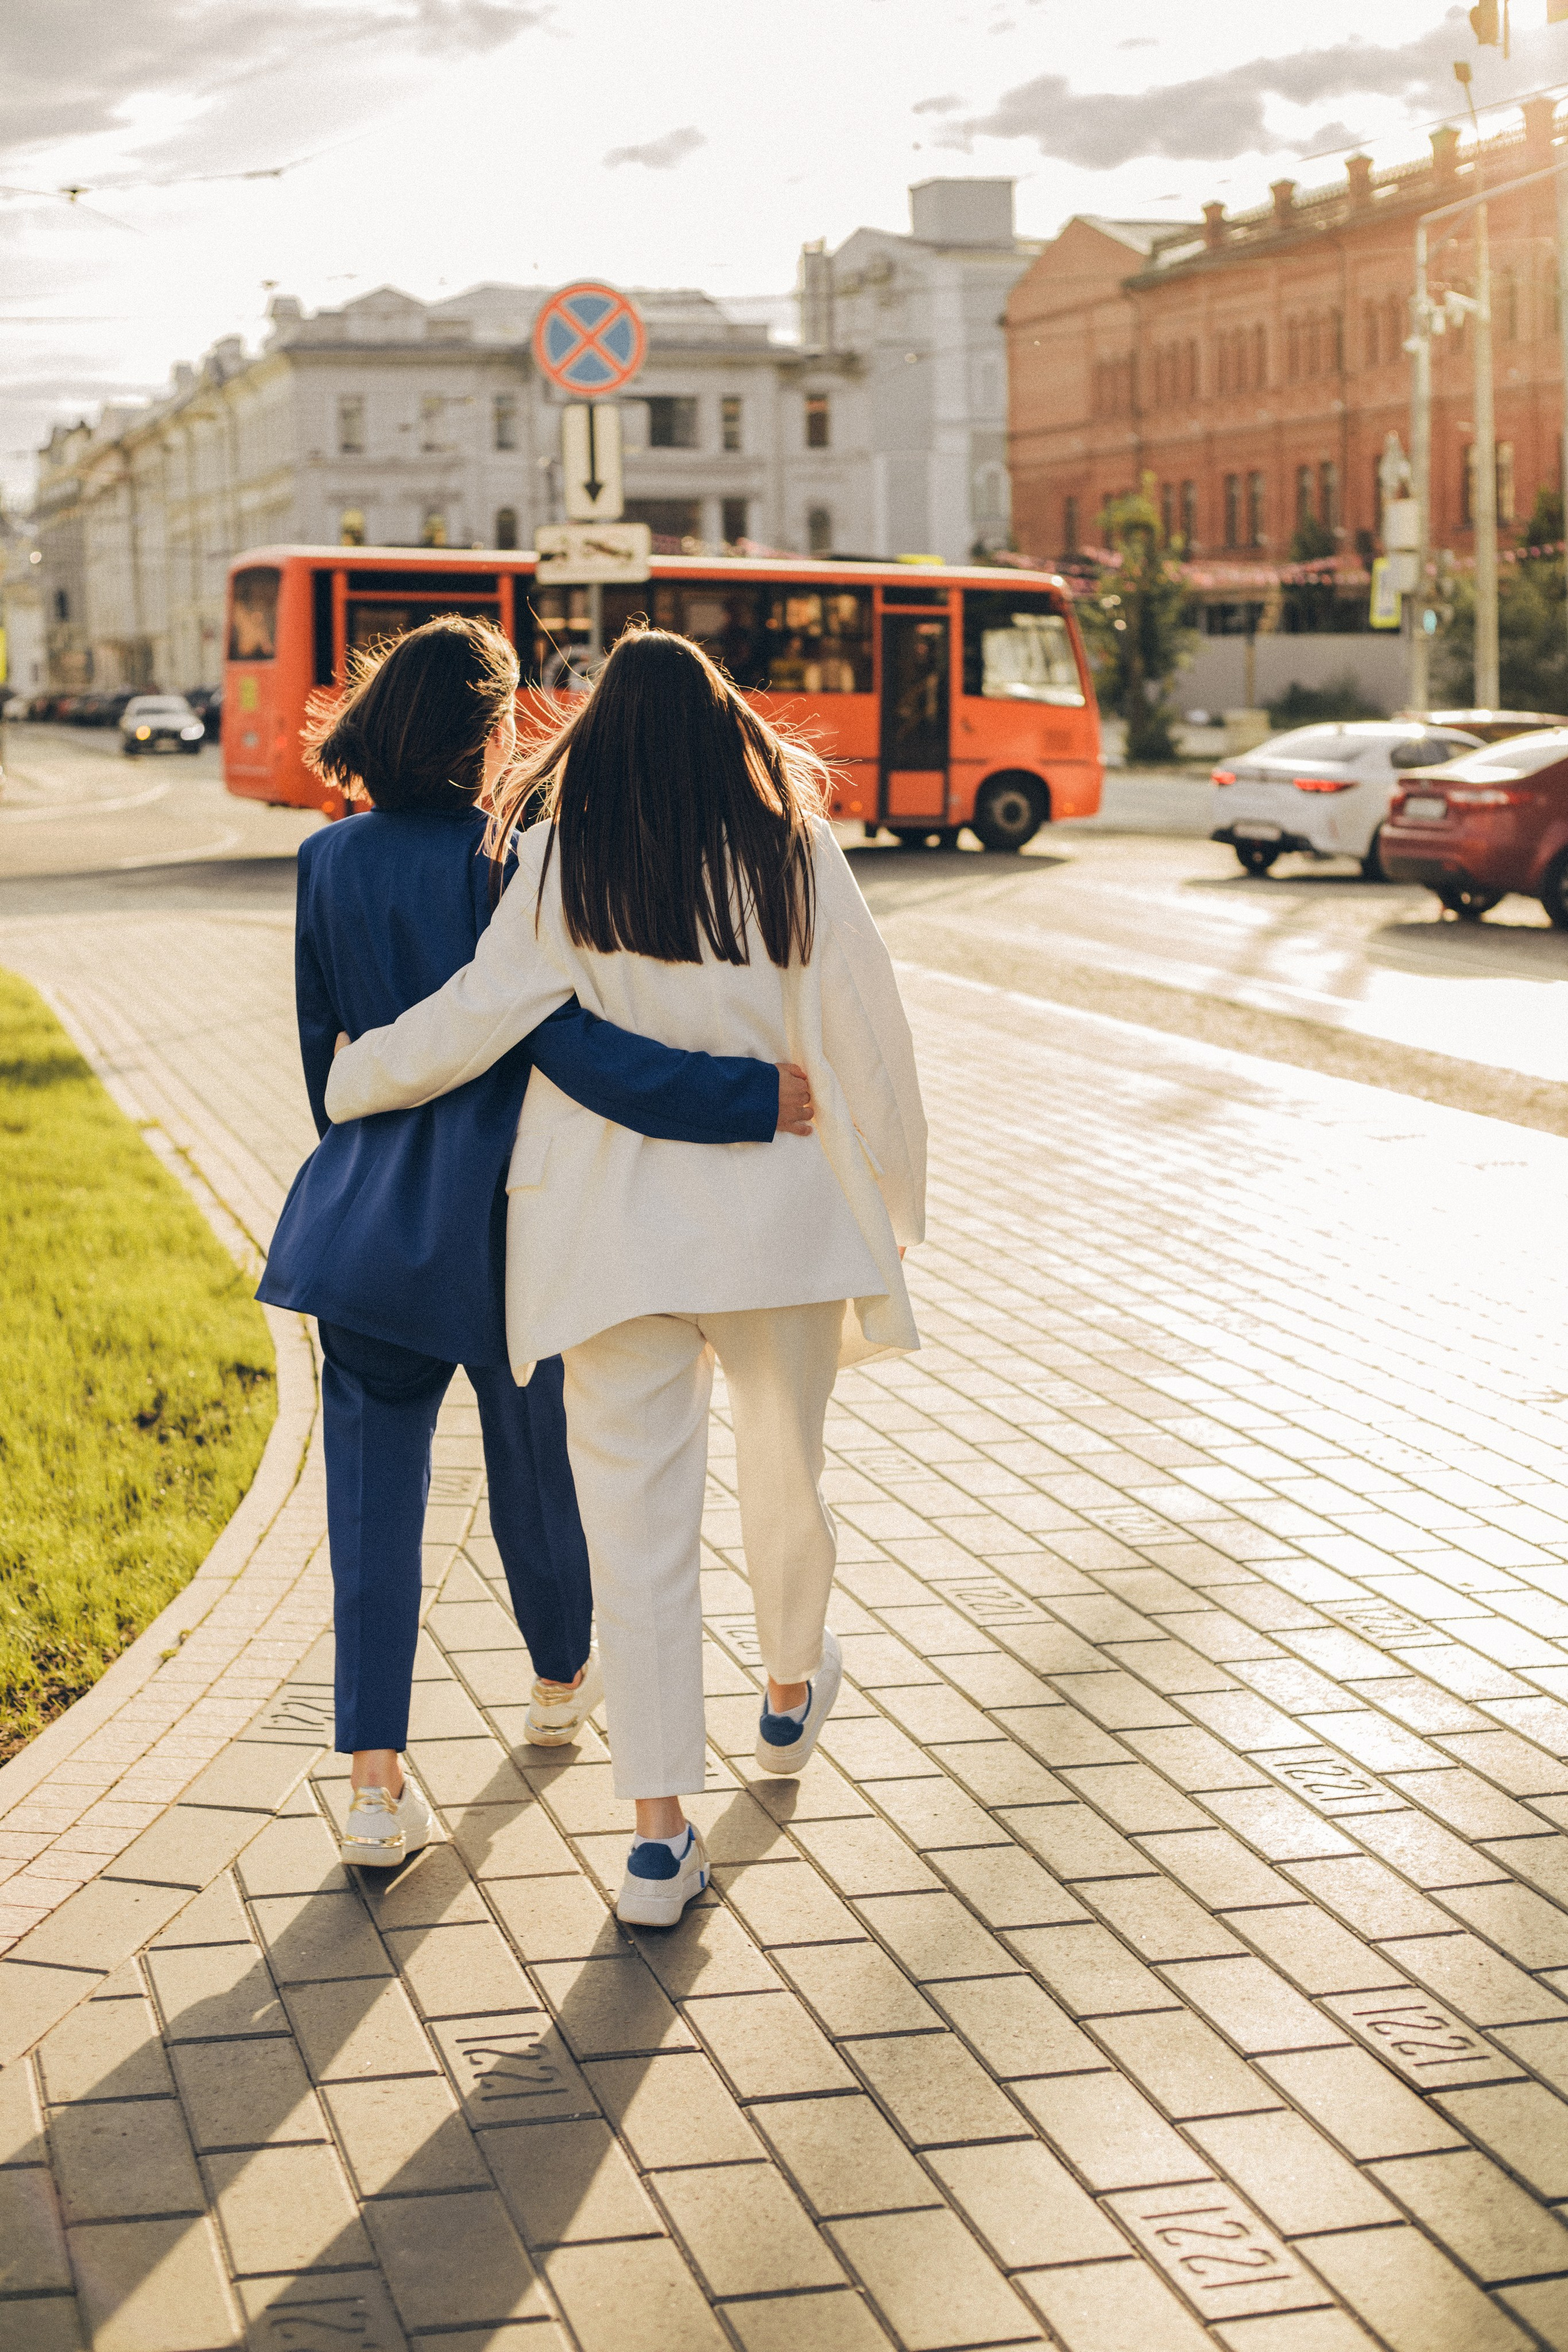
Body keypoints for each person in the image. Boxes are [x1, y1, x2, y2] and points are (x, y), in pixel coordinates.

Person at [327, 627, 926, 1928]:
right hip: (776, 1228)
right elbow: (873, 1041)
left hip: (606, 1243)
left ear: (598, 738)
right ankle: (785, 1692)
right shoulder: (795, 850)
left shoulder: (556, 860)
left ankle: (657, 1841)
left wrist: (353, 1073)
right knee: (785, 1470)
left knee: (637, 1538)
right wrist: (896, 1204)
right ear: (727, 731)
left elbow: (477, 1016)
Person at [259, 617, 807, 1870]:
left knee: (370, 1507)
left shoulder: (325, 859)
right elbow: (574, 1049)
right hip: (506, 1222)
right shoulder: (511, 859)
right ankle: (560, 1685)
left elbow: (322, 1055)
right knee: (537, 1472)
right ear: (488, 732)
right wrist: (747, 1098)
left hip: (365, 1231)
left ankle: (373, 1790)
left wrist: (368, 1165)